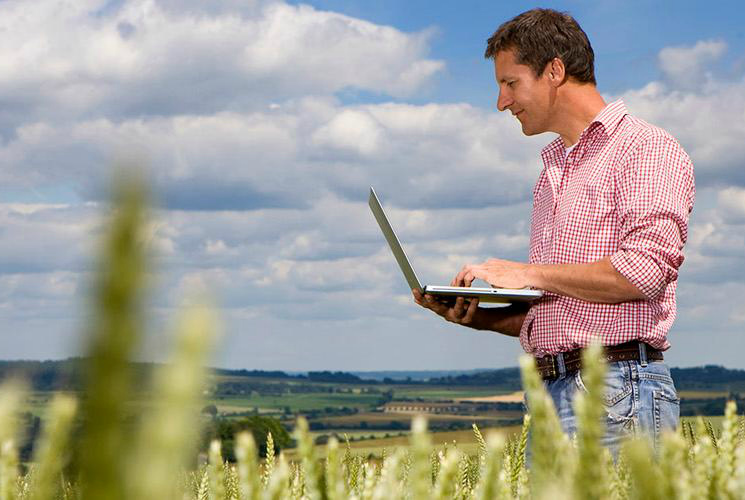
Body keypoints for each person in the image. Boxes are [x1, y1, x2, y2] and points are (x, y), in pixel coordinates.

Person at [413, 8, 695, 453]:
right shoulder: (551, 174)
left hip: (615, 393)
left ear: (555, 71)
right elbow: (565, 315)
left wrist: (530, 273)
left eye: (510, 83)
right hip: (547, 396)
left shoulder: (645, 148)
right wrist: (479, 317)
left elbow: (643, 272)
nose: (502, 102)